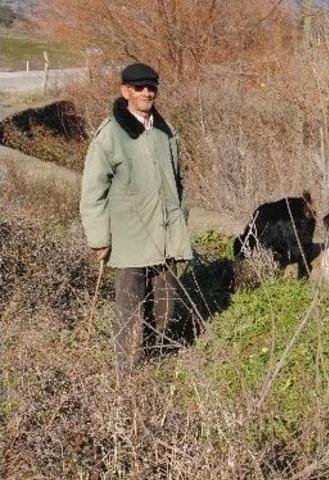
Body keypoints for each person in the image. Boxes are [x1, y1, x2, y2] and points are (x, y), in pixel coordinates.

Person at [80, 62, 193, 370]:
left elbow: (179, 181)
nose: (147, 92)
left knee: (165, 307)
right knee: (130, 306)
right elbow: (93, 191)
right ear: (125, 91)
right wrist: (99, 239)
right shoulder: (110, 134)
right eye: (139, 87)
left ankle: (156, 362)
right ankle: (127, 371)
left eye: (151, 87)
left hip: (165, 236)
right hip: (129, 238)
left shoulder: (165, 132)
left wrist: (180, 219)